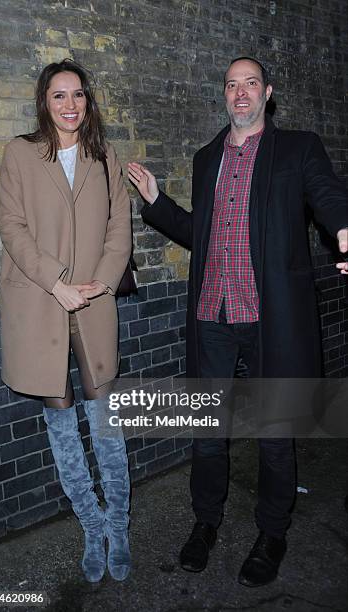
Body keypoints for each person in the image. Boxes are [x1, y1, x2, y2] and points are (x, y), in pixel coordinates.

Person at [128, 56, 348, 587]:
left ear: (267, 93)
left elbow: (327, 193)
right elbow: (200, 233)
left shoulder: (298, 148)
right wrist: (158, 203)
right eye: (232, 85)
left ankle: (272, 532)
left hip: (271, 315)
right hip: (213, 315)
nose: (241, 93)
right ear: (224, 95)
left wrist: (344, 227)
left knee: (275, 434)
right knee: (207, 434)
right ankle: (206, 522)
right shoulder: (207, 159)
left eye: (251, 83)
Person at [0, 59, 132, 584]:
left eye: (78, 95)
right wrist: (57, 281)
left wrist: (100, 280)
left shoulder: (104, 156)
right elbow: (12, 225)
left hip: (95, 305)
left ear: (87, 102)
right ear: (44, 101)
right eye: (59, 96)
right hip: (40, 303)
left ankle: (119, 526)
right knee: (62, 427)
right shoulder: (20, 154)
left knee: (107, 427)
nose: (70, 105)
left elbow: (119, 227)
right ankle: (91, 526)